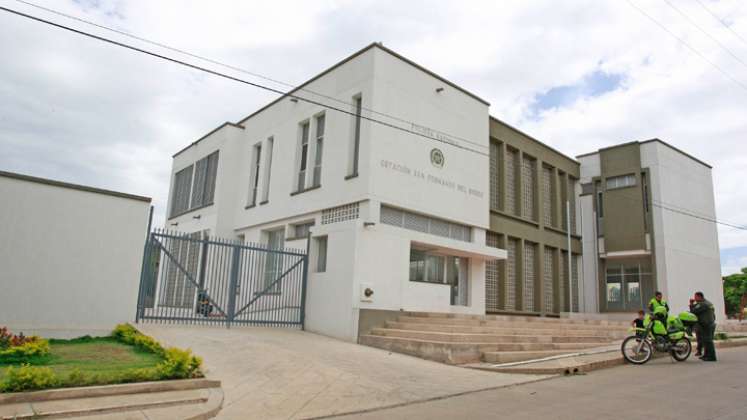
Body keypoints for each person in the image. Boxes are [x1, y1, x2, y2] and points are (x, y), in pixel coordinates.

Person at [690, 291, 717, 362]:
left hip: (706, 324)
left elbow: (693, 312)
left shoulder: (702, 304)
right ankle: (706, 355)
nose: (694, 298)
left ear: (699, 297)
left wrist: (691, 304)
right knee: (706, 341)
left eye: (695, 297)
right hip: (710, 323)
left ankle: (712, 357)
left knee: (708, 341)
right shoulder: (709, 303)